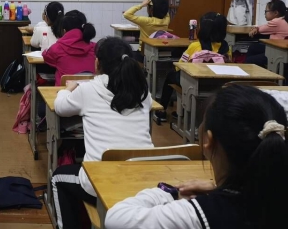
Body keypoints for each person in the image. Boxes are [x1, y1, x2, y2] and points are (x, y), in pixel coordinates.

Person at [105, 85, 288, 229]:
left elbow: (116, 218)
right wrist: (218, 188)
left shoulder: (200, 213)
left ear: (209, 140)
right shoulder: (274, 198)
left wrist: (171, 192)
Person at [51, 37, 153, 229]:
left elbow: (60, 107)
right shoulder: (143, 92)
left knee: (58, 177)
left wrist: (66, 90)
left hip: (102, 183)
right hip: (143, 182)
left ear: (97, 63)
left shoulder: (88, 90)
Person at [153, 12, 230, 123]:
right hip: (217, 84)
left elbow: (179, 66)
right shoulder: (226, 48)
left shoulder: (195, 46)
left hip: (194, 83)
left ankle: (162, 110)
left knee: (171, 75)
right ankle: (184, 111)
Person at [42, 10, 97, 86]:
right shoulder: (96, 48)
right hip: (90, 91)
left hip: (65, 91)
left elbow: (46, 57)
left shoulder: (57, 48)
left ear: (64, 31)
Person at [246, 0, 288, 66]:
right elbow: (263, 26)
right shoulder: (282, 20)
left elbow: (261, 29)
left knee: (250, 60)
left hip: (277, 53)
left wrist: (256, 29)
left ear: (275, 13)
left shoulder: (277, 22)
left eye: (266, 11)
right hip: (278, 50)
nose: (264, 14)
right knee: (253, 47)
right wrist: (256, 28)